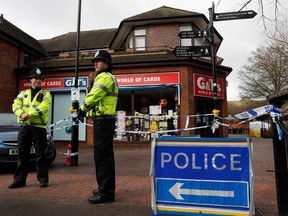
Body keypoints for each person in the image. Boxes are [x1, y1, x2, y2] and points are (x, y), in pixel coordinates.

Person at [78, 50, 118, 204]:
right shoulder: (105, 77)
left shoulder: (104, 77)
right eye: (94, 61)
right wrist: (87, 113)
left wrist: (82, 110)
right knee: (103, 157)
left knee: (102, 158)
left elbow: (93, 96)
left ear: (106, 64)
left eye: (98, 61)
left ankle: (106, 193)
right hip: (102, 121)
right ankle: (104, 188)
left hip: (103, 122)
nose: (95, 63)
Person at [9, 68, 51, 189]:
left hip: (39, 128)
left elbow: (44, 107)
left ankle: (43, 179)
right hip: (24, 127)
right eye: (35, 78)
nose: (38, 80)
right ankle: (19, 180)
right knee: (22, 155)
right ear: (30, 80)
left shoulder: (46, 94)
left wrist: (29, 114)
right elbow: (15, 105)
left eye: (40, 79)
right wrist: (21, 114)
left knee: (41, 155)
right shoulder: (23, 93)